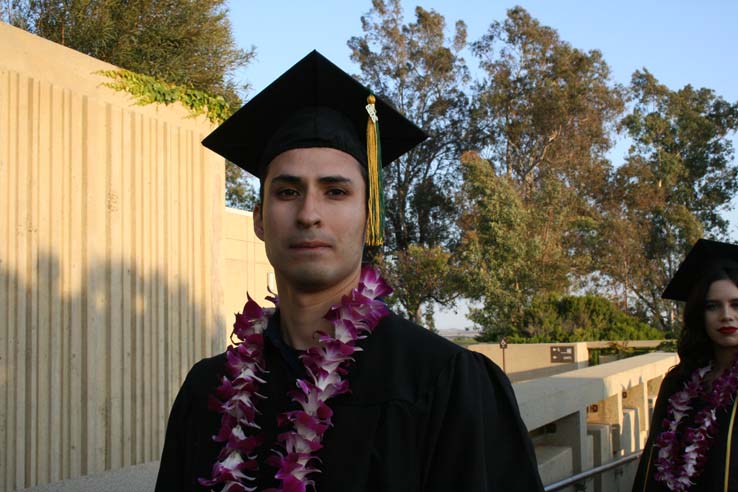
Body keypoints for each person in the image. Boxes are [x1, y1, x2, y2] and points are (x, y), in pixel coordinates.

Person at [155, 50, 544, 492]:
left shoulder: (443, 381)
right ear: (260, 219)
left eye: (335, 191)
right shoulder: (209, 389)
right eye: (287, 192)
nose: (309, 214)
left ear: (368, 215)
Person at [633, 239, 738, 491]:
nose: (726, 315)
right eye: (712, 306)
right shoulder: (678, 382)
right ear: (698, 315)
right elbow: (651, 463)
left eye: (736, 304)